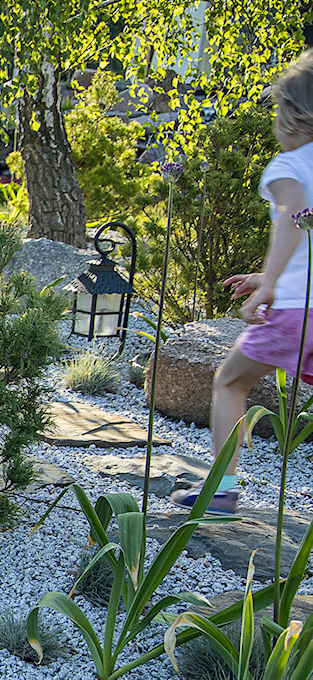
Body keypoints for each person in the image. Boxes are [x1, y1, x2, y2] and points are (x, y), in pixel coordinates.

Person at [172, 51, 313, 513]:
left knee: (229, 382)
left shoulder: (288, 167)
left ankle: (222, 490)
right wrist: (264, 274)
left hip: (294, 309)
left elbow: (294, 219)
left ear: (291, 116)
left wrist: (271, 286)